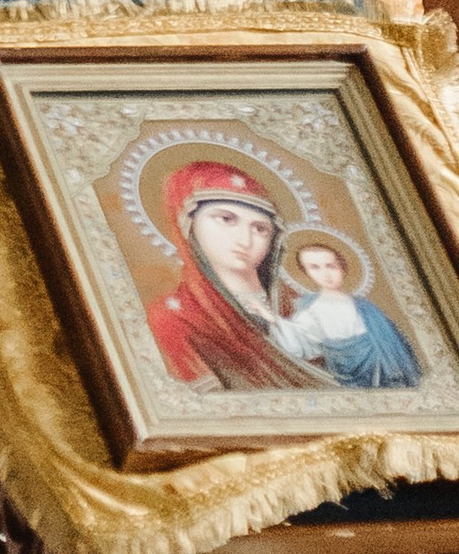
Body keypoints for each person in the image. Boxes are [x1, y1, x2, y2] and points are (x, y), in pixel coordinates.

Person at [146, 164, 323, 393]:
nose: (245, 240)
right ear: (188, 224)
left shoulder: (300, 305)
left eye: (260, 229)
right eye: (226, 219)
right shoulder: (175, 317)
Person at [276, 234, 420, 390]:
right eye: (315, 268)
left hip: (383, 368)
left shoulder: (365, 307)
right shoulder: (311, 308)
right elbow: (300, 343)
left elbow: (394, 343)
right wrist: (272, 319)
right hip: (343, 371)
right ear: (306, 272)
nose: (325, 274)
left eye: (331, 266)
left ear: (342, 266)